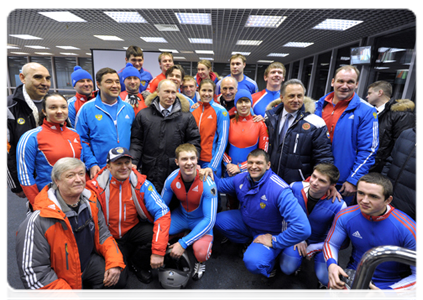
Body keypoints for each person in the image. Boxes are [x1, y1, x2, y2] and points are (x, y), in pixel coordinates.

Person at [16, 157, 126, 300]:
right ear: (56, 181)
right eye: (70, 175)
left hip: (86, 262)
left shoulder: (91, 201)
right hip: (60, 275)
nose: (79, 179)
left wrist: (114, 262)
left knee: (120, 277)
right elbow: (35, 276)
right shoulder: (37, 220)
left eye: (81, 174)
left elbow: (103, 235)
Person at [202, 149, 311, 278]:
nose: (253, 167)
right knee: (217, 220)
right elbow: (219, 185)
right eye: (251, 162)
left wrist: (275, 241)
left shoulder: (279, 189)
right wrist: (209, 173)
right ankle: (251, 242)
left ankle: (270, 266)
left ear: (268, 165)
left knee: (253, 262)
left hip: (270, 232)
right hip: (248, 223)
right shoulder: (242, 178)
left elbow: (303, 228)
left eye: (259, 163)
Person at [323, 172, 420, 300]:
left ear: (388, 200)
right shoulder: (346, 215)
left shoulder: (408, 228)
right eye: (361, 193)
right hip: (355, 275)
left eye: (373, 196)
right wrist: (332, 265)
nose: (364, 200)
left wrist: (388, 293)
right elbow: (332, 243)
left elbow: (420, 275)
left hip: (389, 283)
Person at [87, 147, 171, 284]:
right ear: (108, 166)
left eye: (127, 162)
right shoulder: (95, 188)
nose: (124, 167)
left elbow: (163, 212)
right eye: (118, 163)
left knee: (161, 241)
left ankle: (137, 263)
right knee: (118, 280)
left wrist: (158, 251)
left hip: (132, 230)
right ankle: (123, 258)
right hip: (109, 236)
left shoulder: (141, 183)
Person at [315, 65, 379, 204]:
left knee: (337, 221)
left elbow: (369, 150)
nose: (344, 86)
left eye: (350, 82)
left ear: (356, 84)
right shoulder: (317, 106)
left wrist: (354, 180)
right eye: (340, 81)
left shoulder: (367, 111)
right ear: (333, 82)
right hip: (314, 177)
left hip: (342, 182)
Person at [280, 163, 346, 291]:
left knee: (325, 278)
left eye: (321, 181)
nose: (314, 182)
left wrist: (314, 248)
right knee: (287, 268)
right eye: (314, 176)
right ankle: (297, 262)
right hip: (296, 236)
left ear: (332, 186)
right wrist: (297, 237)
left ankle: (320, 272)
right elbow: (283, 216)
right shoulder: (294, 187)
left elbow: (338, 240)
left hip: (321, 242)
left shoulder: (339, 205)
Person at [130, 79, 201, 193]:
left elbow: (194, 142)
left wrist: (192, 161)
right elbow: (137, 141)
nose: (170, 96)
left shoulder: (186, 117)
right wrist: (133, 162)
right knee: (150, 204)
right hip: (150, 169)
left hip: (175, 171)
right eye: (166, 92)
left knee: (174, 205)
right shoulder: (144, 115)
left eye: (173, 92)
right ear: (158, 92)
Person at [161, 143, 218, 281]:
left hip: (201, 221)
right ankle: (183, 233)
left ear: (197, 160)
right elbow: (162, 207)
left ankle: (199, 262)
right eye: (184, 159)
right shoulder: (172, 178)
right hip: (181, 217)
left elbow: (209, 220)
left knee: (201, 251)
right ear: (177, 162)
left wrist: (183, 243)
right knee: (156, 235)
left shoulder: (207, 183)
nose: (189, 163)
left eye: (192, 158)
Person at [17, 93, 83, 205]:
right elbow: (25, 176)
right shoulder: (30, 137)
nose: (59, 111)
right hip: (48, 198)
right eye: (53, 107)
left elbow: (81, 166)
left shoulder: (75, 134)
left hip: (76, 196)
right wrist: (37, 203)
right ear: (44, 111)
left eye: (63, 107)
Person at [265, 79, 333, 185]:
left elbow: (323, 157)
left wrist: (327, 182)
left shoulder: (315, 123)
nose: (296, 100)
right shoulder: (270, 118)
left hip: (297, 184)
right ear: (282, 97)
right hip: (270, 180)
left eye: (300, 96)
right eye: (291, 96)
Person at [75, 67, 135, 179]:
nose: (115, 85)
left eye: (117, 82)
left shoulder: (128, 108)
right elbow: (81, 140)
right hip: (100, 170)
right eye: (109, 82)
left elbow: (135, 139)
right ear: (98, 84)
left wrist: (133, 161)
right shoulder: (86, 109)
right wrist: (91, 163)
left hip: (125, 169)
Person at [5, 62, 51, 199]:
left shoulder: (54, 104)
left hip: (53, 173)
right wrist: (16, 184)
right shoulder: (8, 107)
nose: (45, 83)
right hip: (27, 176)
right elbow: (6, 150)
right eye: (38, 77)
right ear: (23, 78)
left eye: (48, 78)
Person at [222, 90, 269, 209]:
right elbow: (221, 146)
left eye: (246, 101)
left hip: (251, 172)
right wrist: (228, 164)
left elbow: (263, 151)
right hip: (230, 171)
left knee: (248, 205)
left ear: (251, 103)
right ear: (236, 104)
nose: (243, 105)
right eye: (240, 101)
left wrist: (240, 167)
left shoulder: (260, 124)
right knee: (230, 203)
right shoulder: (229, 122)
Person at [366, 80, 416, 173]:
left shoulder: (401, 114)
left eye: (369, 93)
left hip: (381, 169)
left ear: (380, 93)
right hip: (369, 164)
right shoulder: (373, 113)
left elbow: (402, 148)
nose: (367, 96)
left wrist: (386, 171)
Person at [192, 79, 229, 178]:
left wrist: (213, 166)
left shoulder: (221, 111)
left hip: (210, 161)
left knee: (211, 192)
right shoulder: (193, 109)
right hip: (193, 160)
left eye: (210, 91)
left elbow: (223, 141)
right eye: (204, 90)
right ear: (198, 91)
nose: (206, 94)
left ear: (214, 92)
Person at [385, 126, 420, 225]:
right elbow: (390, 161)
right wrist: (382, 187)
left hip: (412, 212)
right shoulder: (407, 134)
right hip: (388, 202)